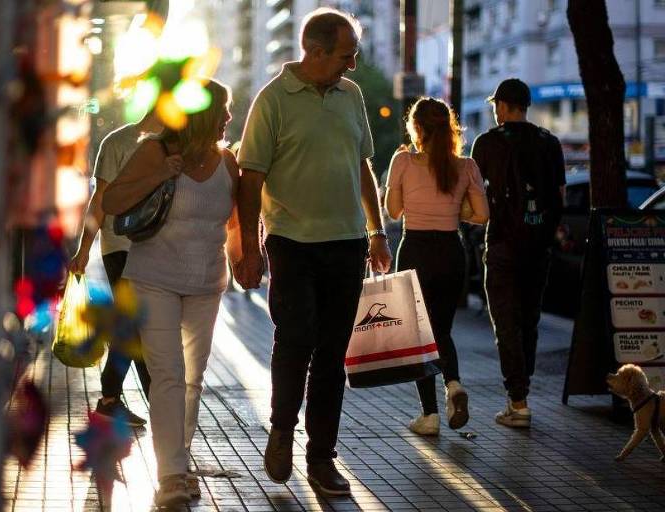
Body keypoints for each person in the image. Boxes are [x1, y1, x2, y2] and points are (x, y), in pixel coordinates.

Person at [235, 8, 392, 497]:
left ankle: (322, 458)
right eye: (347, 54)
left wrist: (377, 230)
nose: (353, 63)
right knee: (296, 337)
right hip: (290, 242)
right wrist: (246, 249)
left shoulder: (352, 95)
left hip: (346, 244)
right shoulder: (273, 100)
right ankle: (283, 428)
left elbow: (362, 165)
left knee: (332, 355)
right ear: (316, 51)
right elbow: (250, 178)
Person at [103, 79, 240, 508]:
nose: (229, 119)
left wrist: (247, 261)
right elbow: (111, 201)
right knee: (168, 375)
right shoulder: (154, 150)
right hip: (154, 277)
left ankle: (177, 461)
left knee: (193, 380)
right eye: (224, 111)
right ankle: (172, 475)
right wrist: (163, 172)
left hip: (207, 283)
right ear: (201, 114)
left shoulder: (228, 163)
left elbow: (233, 223)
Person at [384, 97, 489, 436]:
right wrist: (454, 212)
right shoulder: (466, 166)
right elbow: (482, 215)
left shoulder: (403, 160)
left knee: (420, 337)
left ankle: (429, 415)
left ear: (417, 128)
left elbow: (394, 211)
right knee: (441, 331)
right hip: (451, 251)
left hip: (415, 249)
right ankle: (454, 384)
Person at [471, 78, 565, 428]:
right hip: (539, 247)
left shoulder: (487, 143)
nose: (495, 111)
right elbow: (559, 194)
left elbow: (474, 192)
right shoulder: (549, 143)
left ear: (505, 106)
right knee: (529, 321)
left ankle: (518, 401)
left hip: (502, 245)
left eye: (497, 105)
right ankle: (520, 394)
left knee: (506, 324)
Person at [68, 114, 158, 428]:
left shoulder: (178, 145)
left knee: (134, 326)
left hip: (160, 250)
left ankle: (111, 399)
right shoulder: (118, 142)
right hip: (121, 246)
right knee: (137, 325)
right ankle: (155, 401)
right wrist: (84, 248)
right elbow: (100, 200)